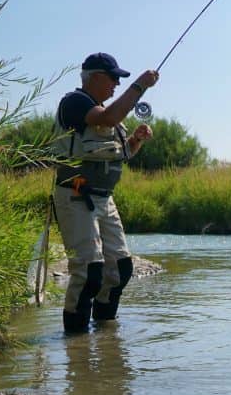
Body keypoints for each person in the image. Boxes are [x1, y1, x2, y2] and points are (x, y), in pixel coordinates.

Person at [53, 53, 159, 333]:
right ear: (95, 76)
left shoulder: (107, 114)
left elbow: (120, 154)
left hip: (104, 199)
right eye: (113, 78)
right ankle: (75, 341)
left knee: (120, 269)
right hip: (76, 197)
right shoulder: (74, 103)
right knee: (89, 272)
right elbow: (109, 117)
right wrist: (139, 85)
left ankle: (105, 332)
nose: (116, 84)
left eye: (119, 80)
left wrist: (135, 140)